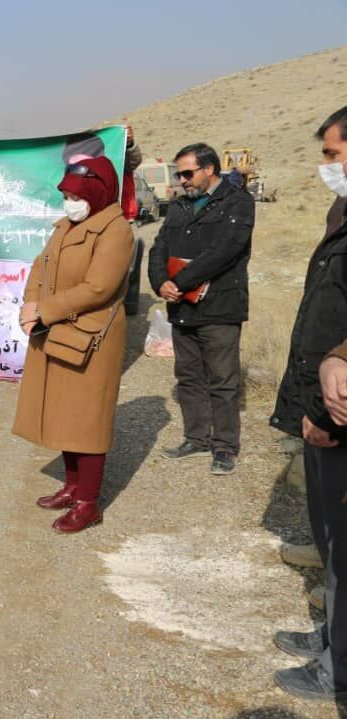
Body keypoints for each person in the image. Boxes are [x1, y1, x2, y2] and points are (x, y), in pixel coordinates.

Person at [269, 105, 347, 702]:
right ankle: (332, 640)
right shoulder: (341, 210)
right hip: (325, 398)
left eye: (332, 154)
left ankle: (337, 671)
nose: (325, 167)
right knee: (330, 535)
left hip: (340, 406)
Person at [12, 157, 135, 533]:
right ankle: (71, 485)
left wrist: (45, 311)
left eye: (75, 196)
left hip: (89, 334)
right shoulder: (66, 225)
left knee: (86, 420)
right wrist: (30, 303)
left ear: (97, 192)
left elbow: (99, 287)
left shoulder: (116, 232)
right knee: (64, 413)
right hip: (56, 328)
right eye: (65, 195)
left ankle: (88, 502)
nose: (69, 202)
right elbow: (40, 265)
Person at [148, 142, 254, 475]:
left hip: (220, 306)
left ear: (209, 169)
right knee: (189, 377)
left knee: (223, 380)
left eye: (188, 173)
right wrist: (160, 282)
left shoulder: (238, 202)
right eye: (179, 174)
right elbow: (159, 246)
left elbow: (226, 251)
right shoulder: (179, 206)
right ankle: (196, 438)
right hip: (182, 307)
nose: (182, 180)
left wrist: (179, 281)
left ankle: (225, 446)